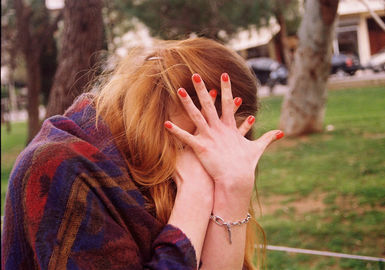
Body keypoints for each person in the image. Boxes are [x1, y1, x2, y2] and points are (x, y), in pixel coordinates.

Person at [1, 38, 284, 269]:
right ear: (160, 114)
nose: (212, 159)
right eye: (198, 140)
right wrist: (195, 197)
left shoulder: (198, 170)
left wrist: (233, 191)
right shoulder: (60, 169)